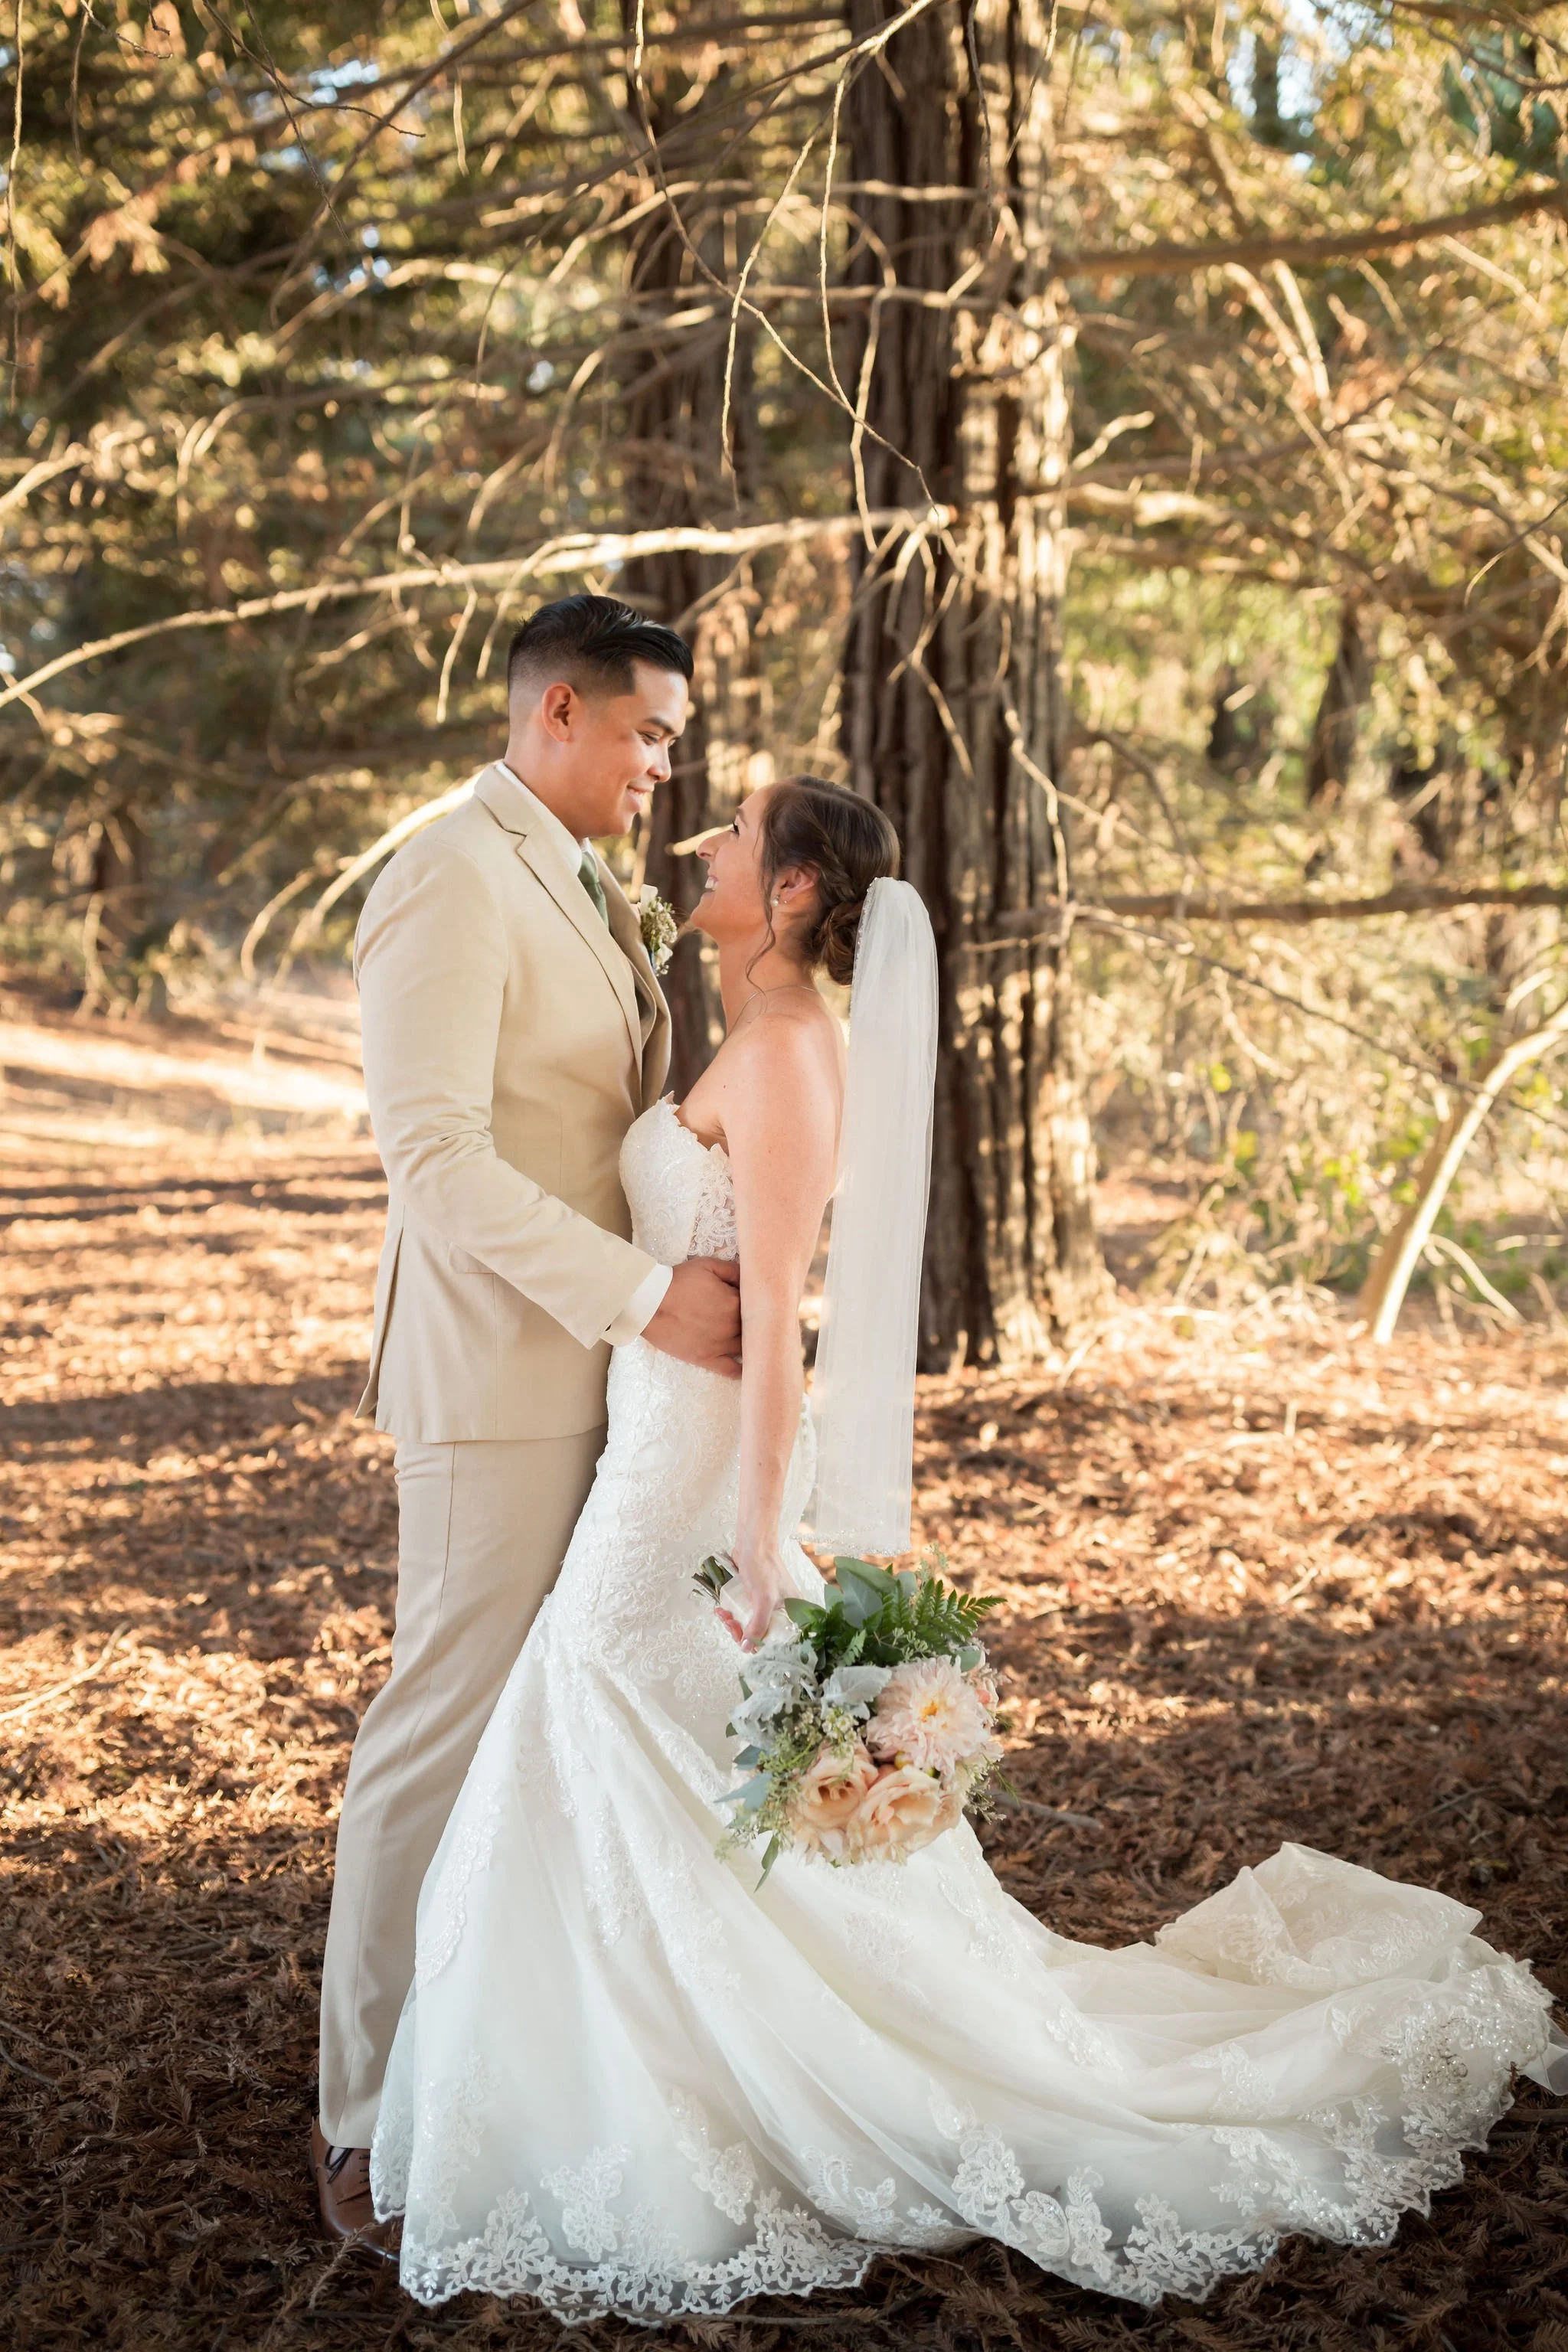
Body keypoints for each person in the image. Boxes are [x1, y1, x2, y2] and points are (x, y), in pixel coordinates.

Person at [366, 773, 1566, 2321]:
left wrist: (756, 1531)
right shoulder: (746, 1028)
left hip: (691, 1480)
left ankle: (711, 2090)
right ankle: (635, 2073)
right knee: (618, 1746)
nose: (701, 847)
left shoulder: (796, 1055)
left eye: (732, 835)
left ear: (795, 891)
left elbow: (786, 1323)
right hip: (645, 1439)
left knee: (608, 1712)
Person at [312, 594, 744, 2248]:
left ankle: (512, 2073)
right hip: (498, 1372)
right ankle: (362, 2113)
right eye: (646, 735)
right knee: (443, 1728)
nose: (662, 769)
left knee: (552, 1737)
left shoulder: (582, 880)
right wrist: (643, 1300)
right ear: (557, 711)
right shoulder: (445, 869)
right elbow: (432, 1162)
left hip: (616, 1392)